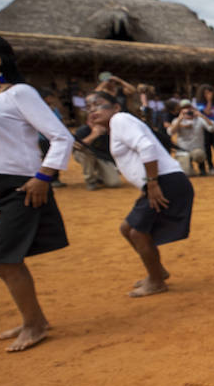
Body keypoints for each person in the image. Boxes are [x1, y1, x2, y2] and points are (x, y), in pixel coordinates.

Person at [0, 33, 74, 352]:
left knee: (2, 262)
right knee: (7, 260)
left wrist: (42, 177)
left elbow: (61, 137)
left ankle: (34, 324)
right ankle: (34, 320)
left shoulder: (18, 94)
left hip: (22, 185)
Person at [83, 91, 196, 297]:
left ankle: (156, 281)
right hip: (160, 181)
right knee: (127, 228)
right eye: (88, 107)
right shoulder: (115, 126)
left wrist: (152, 183)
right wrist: (97, 132)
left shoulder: (120, 119)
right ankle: (157, 270)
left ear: (116, 107)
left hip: (164, 181)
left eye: (98, 105)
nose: (92, 110)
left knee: (137, 232)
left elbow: (146, 147)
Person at [167, 100, 214, 176]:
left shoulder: (200, 120)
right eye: (184, 108)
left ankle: (202, 167)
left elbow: (212, 128)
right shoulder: (177, 120)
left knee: (199, 154)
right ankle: (190, 167)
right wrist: (180, 119)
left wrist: (202, 116)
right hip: (183, 151)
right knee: (187, 173)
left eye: (189, 108)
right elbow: (170, 132)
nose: (188, 110)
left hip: (196, 149)